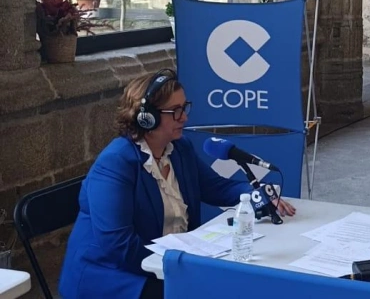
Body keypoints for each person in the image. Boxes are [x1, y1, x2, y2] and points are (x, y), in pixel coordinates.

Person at [58, 69, 296, 299]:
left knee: (236, 284)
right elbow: (118, 246)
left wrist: (258, 196)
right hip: (115, 277)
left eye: (184, 107)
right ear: (146, 117)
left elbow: (217, 188)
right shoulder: (116, 163)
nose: (184, 117)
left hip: (170, 262)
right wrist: (182, 267)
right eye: (175, 111)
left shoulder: (179, 149)